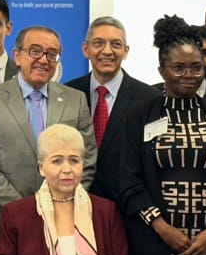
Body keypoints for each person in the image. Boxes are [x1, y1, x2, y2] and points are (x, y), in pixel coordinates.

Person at [119, 15, 206, 255]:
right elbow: (129, 180)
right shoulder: (139, 116)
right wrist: (162, 227)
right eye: (178, 68)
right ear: (162, 71)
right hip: (155, 243)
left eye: (196, 67)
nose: (189, 75)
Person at [0, 26, 96, 255]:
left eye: (52, 54)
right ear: (17, 56)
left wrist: (59, 203)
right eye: (35, 51)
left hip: (66, 225)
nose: (44, 60)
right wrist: (26, 210)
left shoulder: (75, 100)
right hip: (6, 225)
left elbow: (87, 160)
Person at [0, 124, 131, 255]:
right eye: (57, 161)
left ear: (83, 165)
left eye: (74, 161)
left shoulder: (106, 211)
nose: (67, 169)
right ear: (41, 168)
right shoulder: (15, 214)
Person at [63, 15, 156, 201]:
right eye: (98, 43)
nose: (107, 51)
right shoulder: (67, 93)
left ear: (126, 51)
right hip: (74, 200)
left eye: (116, 44)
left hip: (128, 205)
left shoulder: (149, 98)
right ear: (85, 49)